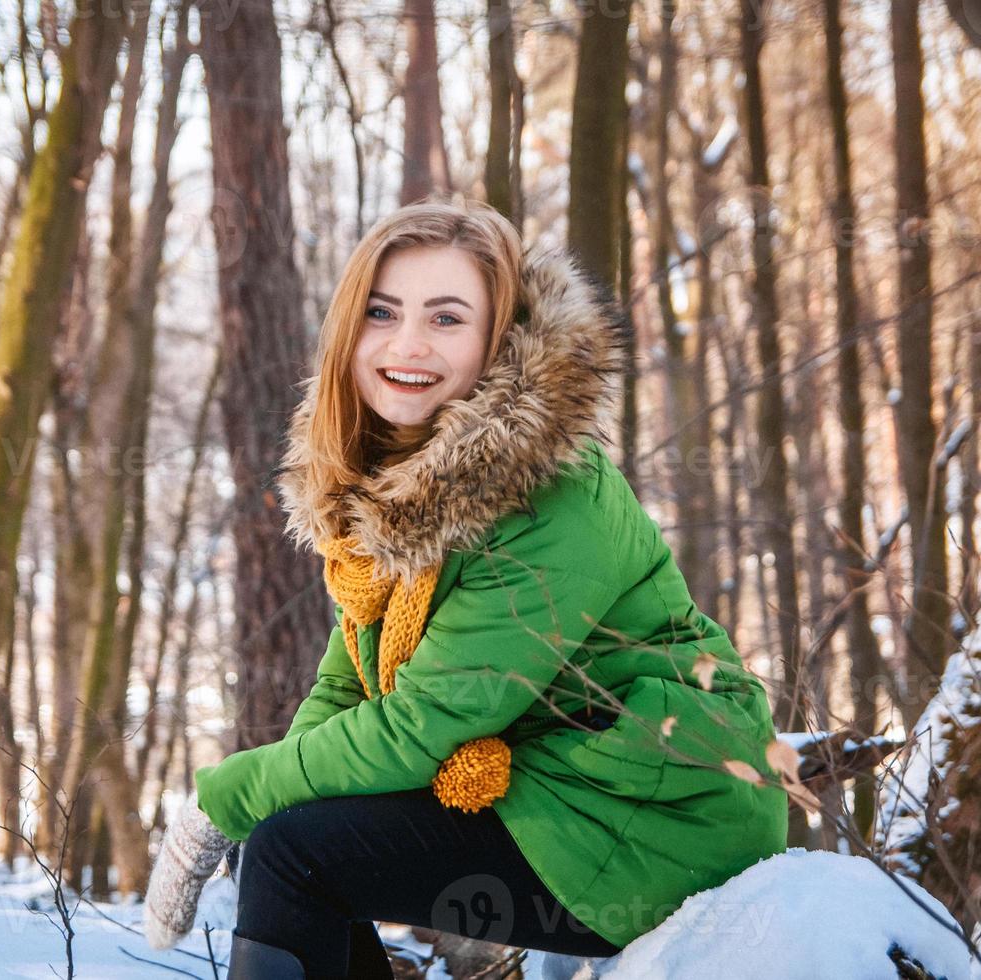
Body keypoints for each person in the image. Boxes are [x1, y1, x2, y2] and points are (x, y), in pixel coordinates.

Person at [143, 197, 788, 979]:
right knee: (281, 830)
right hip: (560, 791)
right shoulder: (390, 480)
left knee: (290, 849)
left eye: (446, 318)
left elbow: (423, 725)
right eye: (383, 312)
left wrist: (220, 797)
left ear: (500, 339)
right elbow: (348, 685)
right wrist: (263, 791)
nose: (407, 343)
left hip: (654, 818)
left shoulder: (550, 494)